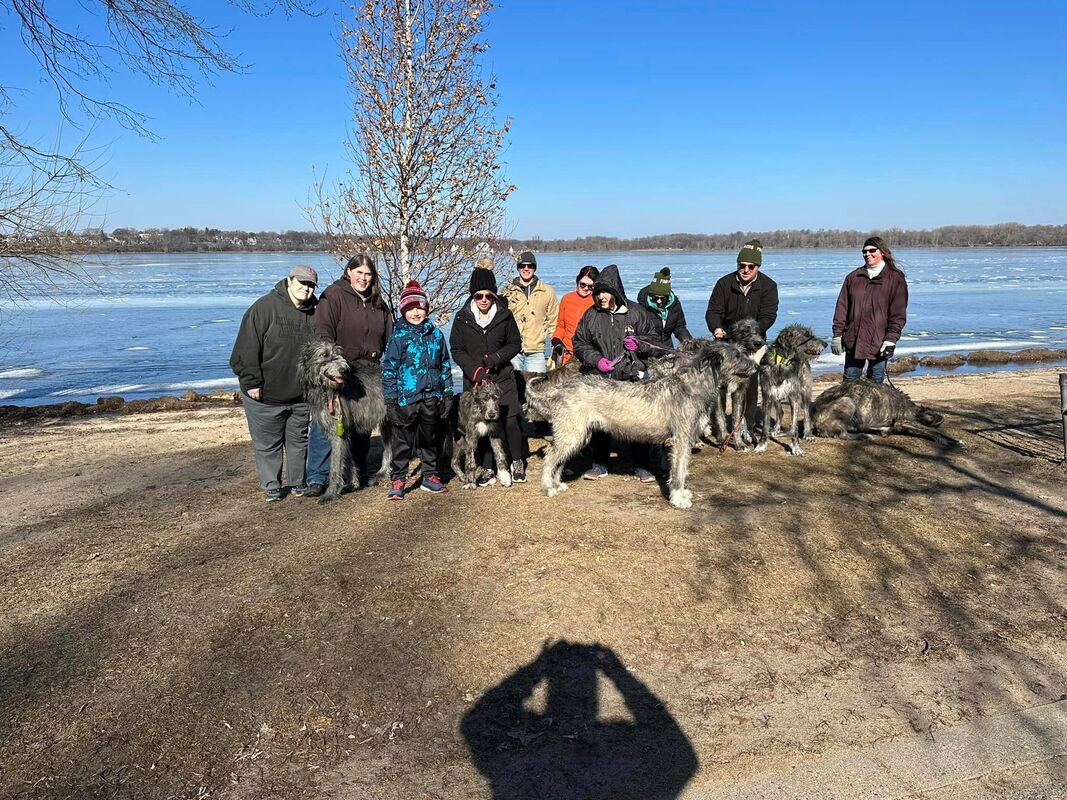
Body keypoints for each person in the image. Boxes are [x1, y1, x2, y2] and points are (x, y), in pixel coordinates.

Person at [304, 254, 393, 497]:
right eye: (359, 273)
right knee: (329, 428)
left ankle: (357, 472)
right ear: (348, 272)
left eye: (368, 274)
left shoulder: (378, 303)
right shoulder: (334, 295)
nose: (364, 278)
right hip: (339, 372)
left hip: (370, 372)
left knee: (361, 425)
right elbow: (323, 333)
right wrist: (330, 364)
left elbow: (390, 338)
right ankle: (317, 478)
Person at [229, 265, 319, 502]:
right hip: (265, 394)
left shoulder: (316, 312)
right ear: (289, 281)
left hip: (301, 395)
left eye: (310, 285)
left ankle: (298, 482)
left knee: (298, 441)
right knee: (268, 443)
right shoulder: (264, 307)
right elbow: (245, 350)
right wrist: (252, 382)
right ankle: (272, 485)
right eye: (302, 283)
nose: (306, 289)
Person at [572, 264, 658, 482]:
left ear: (615, 291)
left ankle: (641, 465)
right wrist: (596, 360)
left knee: (639, 422)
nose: (600, 297)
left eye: (605, 292)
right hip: (603, 378)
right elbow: (579, 343)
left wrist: (640, 345)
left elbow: (657, 343)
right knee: (600, 424)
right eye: (598, 292)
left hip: (631, 377)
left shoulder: (636, 312)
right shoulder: (591, 315)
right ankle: (599, 463)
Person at [449, 266, 525, 484]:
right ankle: (489, 468)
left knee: (509, 422)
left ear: (493, 295)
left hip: (501, 377)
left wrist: (495, 359)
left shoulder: (504, 315)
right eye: (479, 295)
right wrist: (475, 370)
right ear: (473, 295)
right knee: (479, 425)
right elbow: (456, 349)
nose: (484, 300)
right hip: (474, 380)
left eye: (488, 295)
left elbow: (515, 343)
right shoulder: (462, 317)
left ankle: (517, 461)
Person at [381, 280, 454, 500]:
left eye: (419, 307)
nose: (415, 312)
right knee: (403, 441)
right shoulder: (398, 337)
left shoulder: (437, 335)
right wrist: (391, 400)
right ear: (404, 311)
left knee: (429, 438)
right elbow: (389, 370)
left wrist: (448, 392)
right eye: (410, 308)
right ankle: (399, 478)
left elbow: (445, 365)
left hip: (431, 396)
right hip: (407, 398)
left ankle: (429, 475)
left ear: (426, 309)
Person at [705, 239, 779, 432]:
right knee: (720, 384)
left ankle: (747, 422)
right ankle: (718, 423)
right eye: (741, 266)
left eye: (750, 266)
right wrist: (716, 328)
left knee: (749, 384)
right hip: (726, 342)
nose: (745, 270)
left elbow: (769, 316)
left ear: (758, 267)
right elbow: (713, 311)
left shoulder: (768, 286)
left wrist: (751, 333)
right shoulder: (724, 283)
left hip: (754, 344)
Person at [832, 236, 908, 383]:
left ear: (883, 252)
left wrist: (890, 340)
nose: (867, 254)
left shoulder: (895, 278)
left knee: (875, 383)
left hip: (879, 341)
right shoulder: (853, 277)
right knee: (850, 382)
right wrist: (837, 334)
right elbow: (842, 308)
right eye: (864, 251)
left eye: (872, 250)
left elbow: (898, 314)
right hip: (854, 340)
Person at [501, 250, 559, 374]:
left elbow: (553, 321)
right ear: (518, 268)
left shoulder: (547, 291)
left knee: (537, 389)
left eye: (530, 266)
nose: (526, 269)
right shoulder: (507, 292)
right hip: (512, 350)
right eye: (522, 266)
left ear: (534, 268)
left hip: (536, 350)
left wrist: (555, 346)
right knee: (515, 389)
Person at [550, 265, 598, 367]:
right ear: (577, 282)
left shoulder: (597, 302)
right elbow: (561, 326)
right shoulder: (567, 299)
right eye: (583, 285)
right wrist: (556, 340)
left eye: (590, 286)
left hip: (587, 355)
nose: (586, 288)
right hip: (566, 354)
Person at [636, 267, 692, 353]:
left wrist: (689, 343)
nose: (659, 301)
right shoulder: (642, 308)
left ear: (668, 297)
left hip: (668, 350)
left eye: (663, 298)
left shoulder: (674, 305)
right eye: (655, 298)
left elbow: (679, 327)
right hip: (649, 353)